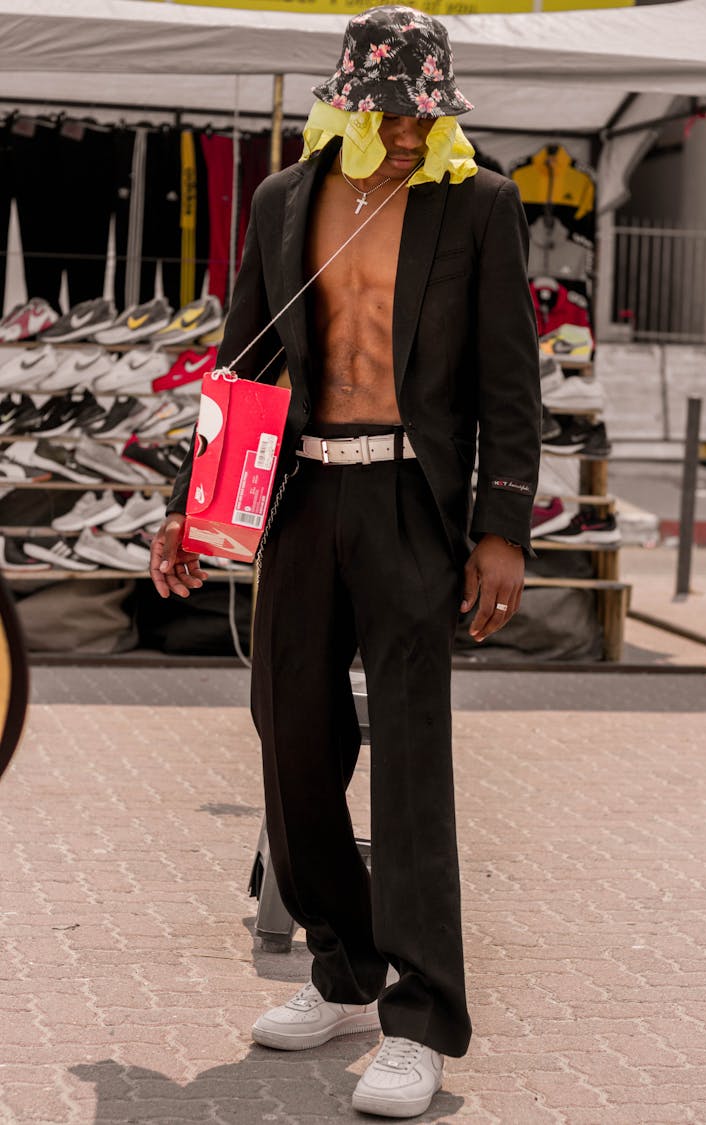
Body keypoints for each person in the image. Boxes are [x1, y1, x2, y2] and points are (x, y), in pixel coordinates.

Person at [150, 5, 540, 1117]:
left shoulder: (479, 205)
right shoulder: (284, 202)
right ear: (349, 100)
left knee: (413, 754)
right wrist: (190, 509)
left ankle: (421, 1019)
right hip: (304, 494)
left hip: (412, 505)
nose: (414, 129)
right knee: (293, 731)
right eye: (395, 108)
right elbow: (242, 367)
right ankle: (343, 963)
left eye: (430, 109)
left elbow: (512, 385)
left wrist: (502, 530)